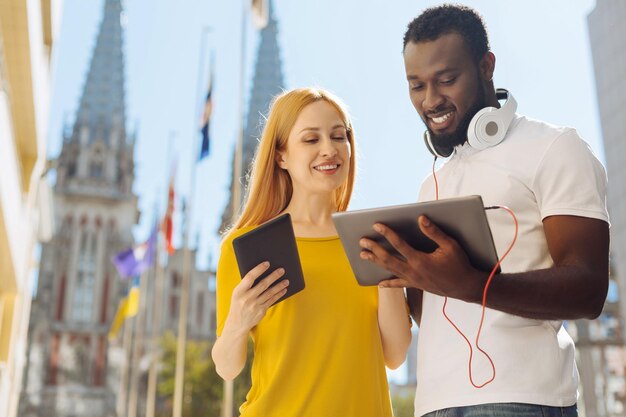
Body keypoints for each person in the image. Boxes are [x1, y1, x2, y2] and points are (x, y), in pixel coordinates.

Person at [359, 5, 609, 417]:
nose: (430, 100)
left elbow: (588, 289)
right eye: (416, 85)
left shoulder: (555, 147)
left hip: (523, 400)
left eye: (447, 80)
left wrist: (474, 284)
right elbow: (432, 310)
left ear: (486, 66)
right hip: (433, 405)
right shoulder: (430, 184)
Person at [212, 87, 412, 416]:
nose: (329, 150)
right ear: (281, 155)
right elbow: (227, 367)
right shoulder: (245, 246)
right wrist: (238, 321)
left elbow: (396, 354)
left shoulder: (374, 239)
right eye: (310, 139)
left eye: (338, 136)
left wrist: (385, 270)